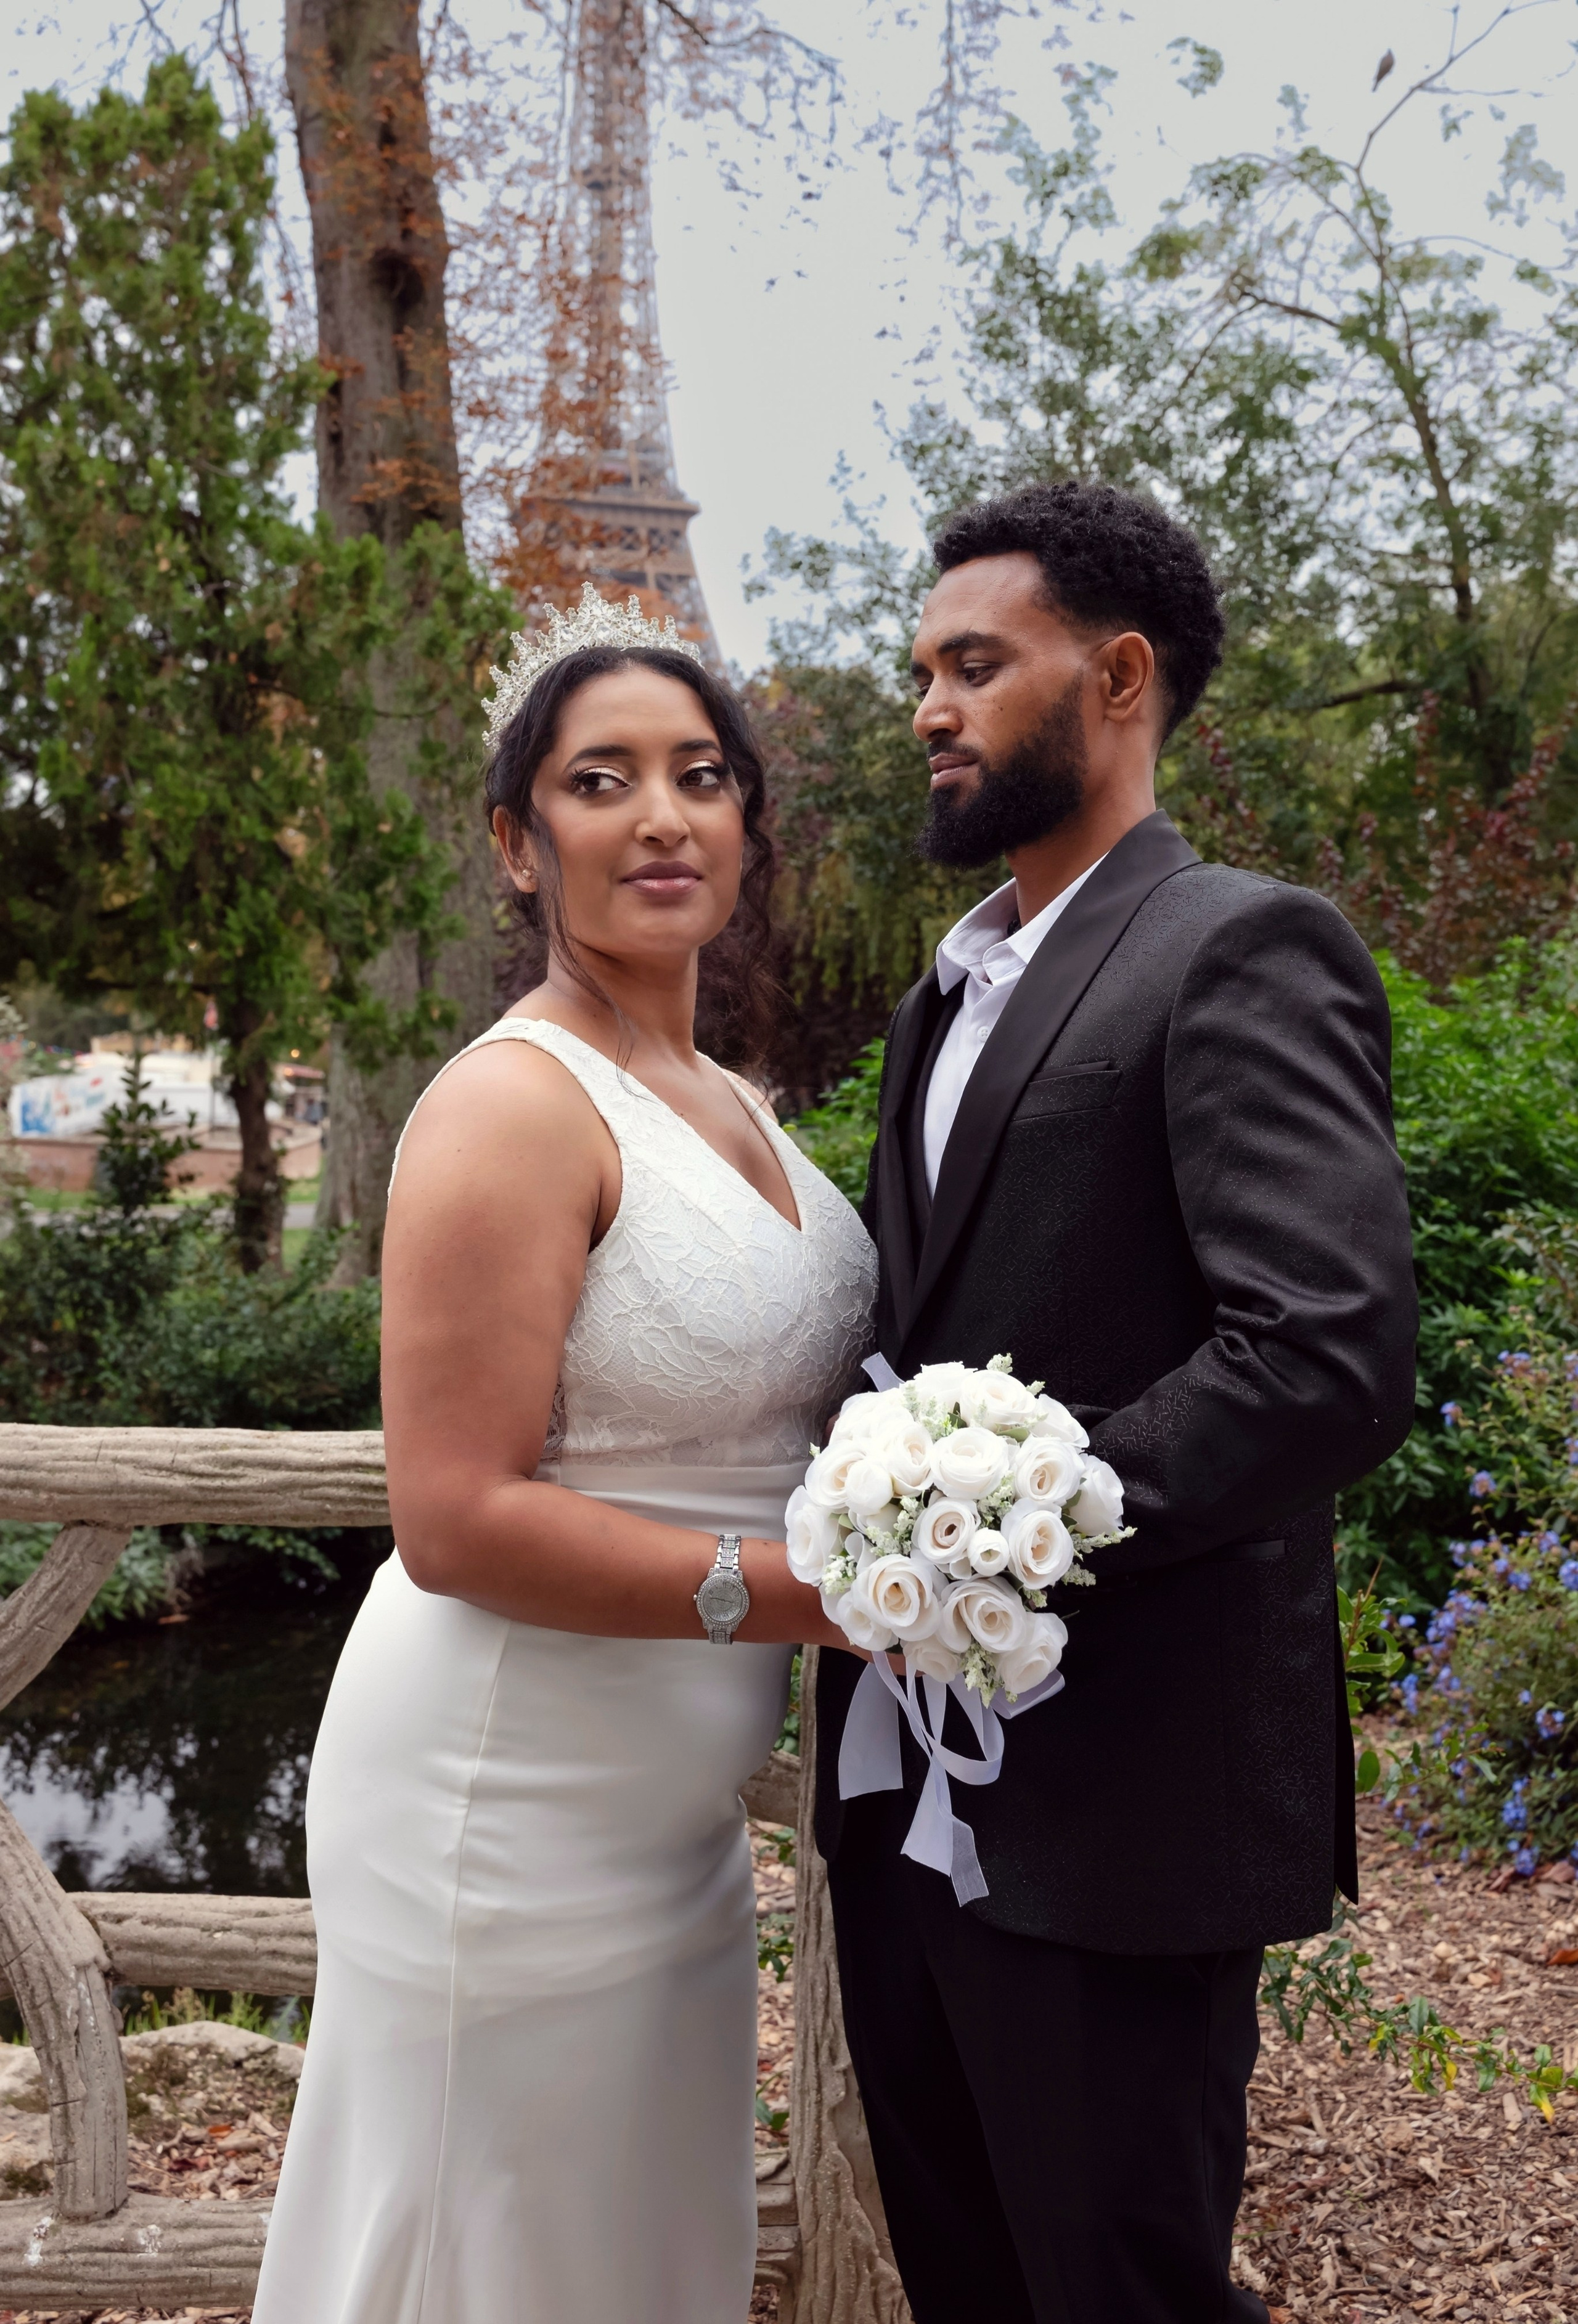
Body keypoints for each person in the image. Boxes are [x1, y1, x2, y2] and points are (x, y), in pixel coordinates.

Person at [816, 481, 1418, 2324]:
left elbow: (1324, 1349)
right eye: (922, 667)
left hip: (1126, 1799)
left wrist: (1008, 1526)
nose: (929, 705)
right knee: (971, 2284)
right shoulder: (953, 990)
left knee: (1121, 2294)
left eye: (975, 664)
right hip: (904, 1791)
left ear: (1123, 676)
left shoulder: (1241, 944)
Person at [251, 589, 875, 2324]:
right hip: (499, 1797)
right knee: (490, 2250)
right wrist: (806, 1597)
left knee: (623, 2252)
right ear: (519, 844)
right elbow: (451, 1519)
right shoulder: (511, 1106)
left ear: (747, 821)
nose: (661, 814)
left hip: (664, 1826)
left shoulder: (735, 1098)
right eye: (601, 781)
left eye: (699, 774)